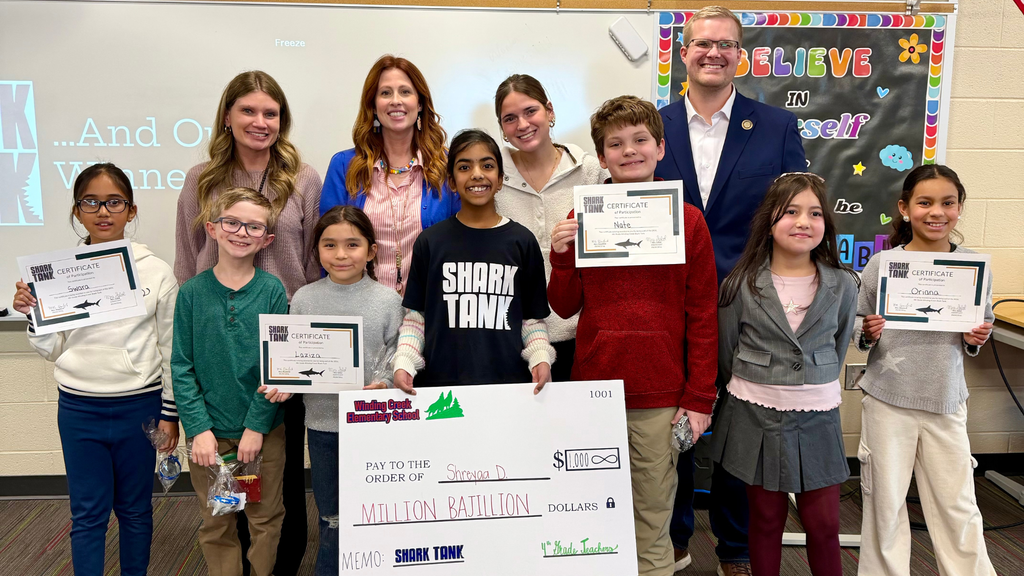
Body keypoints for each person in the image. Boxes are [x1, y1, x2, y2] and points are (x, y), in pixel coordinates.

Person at [655, 7, 807, 573]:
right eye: (702, 44)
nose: (713, 53)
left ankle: (736, 547)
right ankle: (670, 538)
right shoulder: (654, 126)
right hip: (670, 304)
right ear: (684, 52)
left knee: (741, 429)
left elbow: (796, 214)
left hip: (751, 304)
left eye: (726, 44)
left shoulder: (775, 127)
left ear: (740, 54)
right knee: (671, 424)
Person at [547, 95, 718, 576]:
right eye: (615, 144)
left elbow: (703, 314)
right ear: (600, 157)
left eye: (640, 140)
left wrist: (700, 397)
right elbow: (563, 306)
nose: (629, 151)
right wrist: (562, 256)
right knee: (591, 513)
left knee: (650, 519)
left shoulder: (687, 220)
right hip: (594, 388)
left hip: (659, 396)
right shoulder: (584, 217)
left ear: (660, 148)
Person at [174, 70, 317, 573]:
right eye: (248, 111)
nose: (260, 121)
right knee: (222, 502)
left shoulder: (304, 178)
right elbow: (186, 257)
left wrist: (306, 351)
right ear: (228, 117)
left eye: (271, 113)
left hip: (281, 361)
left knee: (272, 490)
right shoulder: (200, 180)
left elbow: (315, 263)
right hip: (216, 348)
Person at [12, 163, 179, 576]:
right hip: (79, 409)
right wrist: (34, 313)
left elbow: (171, 348)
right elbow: (50, 349)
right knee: (87, 513)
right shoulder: (57, 273)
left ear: (131, 210)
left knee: (136, 510)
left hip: (140, 409)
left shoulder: (156, 272)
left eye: (114, 202)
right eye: (91, 202)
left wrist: (170, 414)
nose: (103, 211)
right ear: (77, 211)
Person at [711, 173, 859, 576]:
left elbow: (840, 342)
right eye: (790, 211)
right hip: (754, 415)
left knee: (824, 523)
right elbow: (727, 355)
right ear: (769, 220)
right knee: (765, 520)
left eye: (814, 213)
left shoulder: (844, 284)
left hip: (818, 415)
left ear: (826, 223)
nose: (802, 222)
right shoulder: (739, 284)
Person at [856, 165, 996, 576]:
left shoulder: (973, 267)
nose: (937, 212)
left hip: (946, 399)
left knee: (957, 503)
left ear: (959, 208)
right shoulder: (882, 264)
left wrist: (976, 339)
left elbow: (978, 330)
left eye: (948, 203)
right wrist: (867, 332)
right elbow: (858, 329)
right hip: (888, 400)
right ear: (904, 208)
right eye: (925, 202)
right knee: (884, 502)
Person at [172, 188, 289, 576]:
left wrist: (256, 426)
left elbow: (276, 369)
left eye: (253, 226)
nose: (242, 232)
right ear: (213, 229)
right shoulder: (191, 294)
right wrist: (198, 430)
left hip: (262, 433)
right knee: (218, 521)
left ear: (266, 239)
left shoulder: (273, 291)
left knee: (264, 518)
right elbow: (182, 367)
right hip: (209, 437)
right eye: (232, 222)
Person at [392, 129, 554, 393]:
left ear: (500, 179)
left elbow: (530, 320)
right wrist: (404, 362)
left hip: (507, 385)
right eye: (464, 166)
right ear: (452, 182)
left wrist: (540, 357)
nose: (477, 174)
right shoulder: (431, 242)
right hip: (440, 387)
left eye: (487, 165)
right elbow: (416, 318)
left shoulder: (522, 242)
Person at [289, 206, 403, 576]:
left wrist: (384, 382)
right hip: (323, 426)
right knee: (332, 515)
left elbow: (397, 351)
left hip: (373, 424)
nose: (340, 254)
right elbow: (292, 357)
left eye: (352, 244)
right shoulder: (304, 299)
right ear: (316, 251)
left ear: (371, 251)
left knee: (375, 511)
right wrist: (282, 380)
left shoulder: (388, 300)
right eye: (330, 245)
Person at [492, 74, 607, 381]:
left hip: (577, 335)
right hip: (513, 336)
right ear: (502, 128)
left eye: (531, 111)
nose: (522, 125)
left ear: (550, 111)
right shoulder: (492, 176)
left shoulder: (589, 171)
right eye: (510, 118)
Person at [319, 55, 459, 295]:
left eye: (405, 92)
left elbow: (462, 244)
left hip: (430, 307)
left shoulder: (447, 165)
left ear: (421, 103)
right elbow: (327, 245)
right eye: (385, 93)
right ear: (373, 105)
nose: (396, 101)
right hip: (360, 307)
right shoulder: (344, 166)